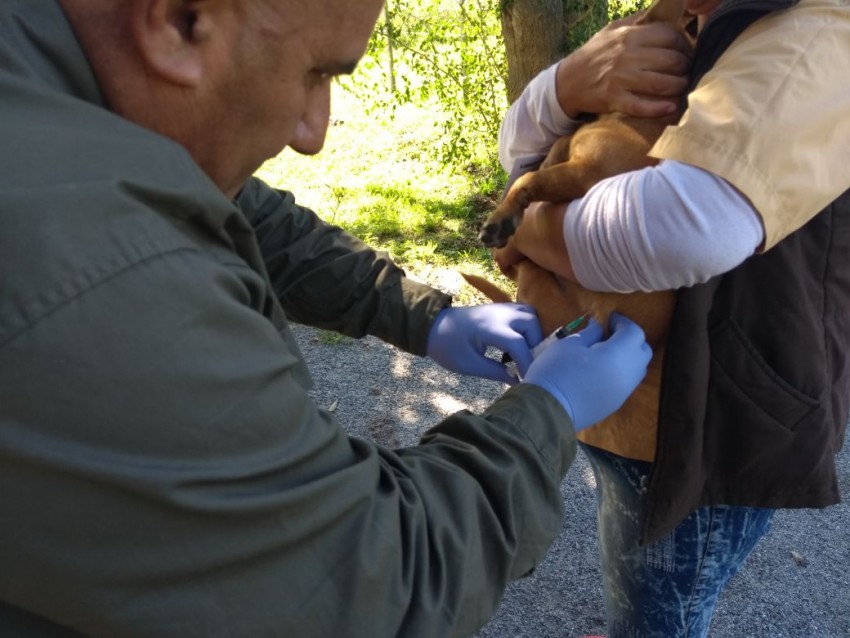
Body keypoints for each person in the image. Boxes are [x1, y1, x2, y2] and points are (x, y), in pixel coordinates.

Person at [0, 1, 657, 636]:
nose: (312, 133)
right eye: (317, 73)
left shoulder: (50, 76)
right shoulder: (100, 282)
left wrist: (419, 314)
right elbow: (368, 580)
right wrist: (547, 412)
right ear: (178, 20)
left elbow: (221, 204)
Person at [495, 0, 850, 635]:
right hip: (628, 409)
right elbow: (519, 153)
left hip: (701, 420)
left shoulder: (820, 31)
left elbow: (671, 234)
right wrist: (563, 85)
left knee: (664, 612)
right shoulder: (678, 14)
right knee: (638, 574)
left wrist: (523, 226)